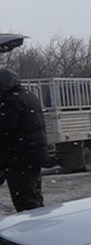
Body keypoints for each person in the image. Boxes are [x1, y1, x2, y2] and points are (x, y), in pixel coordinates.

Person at [0, 68, 48, 211]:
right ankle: (40, 227)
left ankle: (32, 230)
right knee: (35, 198)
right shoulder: (28, 96)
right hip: (32, 158)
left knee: (25, 202)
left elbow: (4, 129)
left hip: (19, 160)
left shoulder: (11, 101)